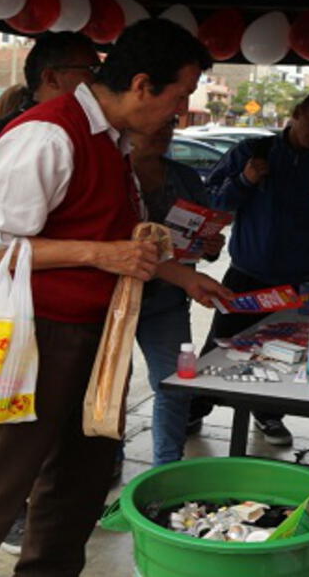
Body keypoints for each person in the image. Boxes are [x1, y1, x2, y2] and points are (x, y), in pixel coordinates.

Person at [0, 19, 229, 577]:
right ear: (143, 84)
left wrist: (177, 274)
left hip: (100, 332)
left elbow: (114, 234)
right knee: (1, 480)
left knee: (81, 476)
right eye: (179, 98)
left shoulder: (113, 142)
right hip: (40, 333)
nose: (179, 113)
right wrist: (102, 256)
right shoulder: (49, 133)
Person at [187, 90, 309, 447]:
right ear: (297, 113)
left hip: (304, 280)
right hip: (247, 274)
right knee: (220, 346)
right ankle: (194, 407)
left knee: (285, 353)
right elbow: (212, 202)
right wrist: (245, 180)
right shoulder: (252, 151)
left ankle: (268, 414)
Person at [0, 33, 101, 296]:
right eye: (90, 70)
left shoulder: (85, 130)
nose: (98, 80)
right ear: (51, 78)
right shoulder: (23, 132)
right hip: (25, 299)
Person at [130, 123, 225, 466]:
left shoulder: (184, 178)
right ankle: (104, 461)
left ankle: (167, 466)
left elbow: (206, 239)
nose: (160, 131)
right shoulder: (112, 172)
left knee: (174, 383)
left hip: (168, 297)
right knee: (109, 385)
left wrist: (212, 245)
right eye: (153, 123)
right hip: (111, 299)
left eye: (168, 125)